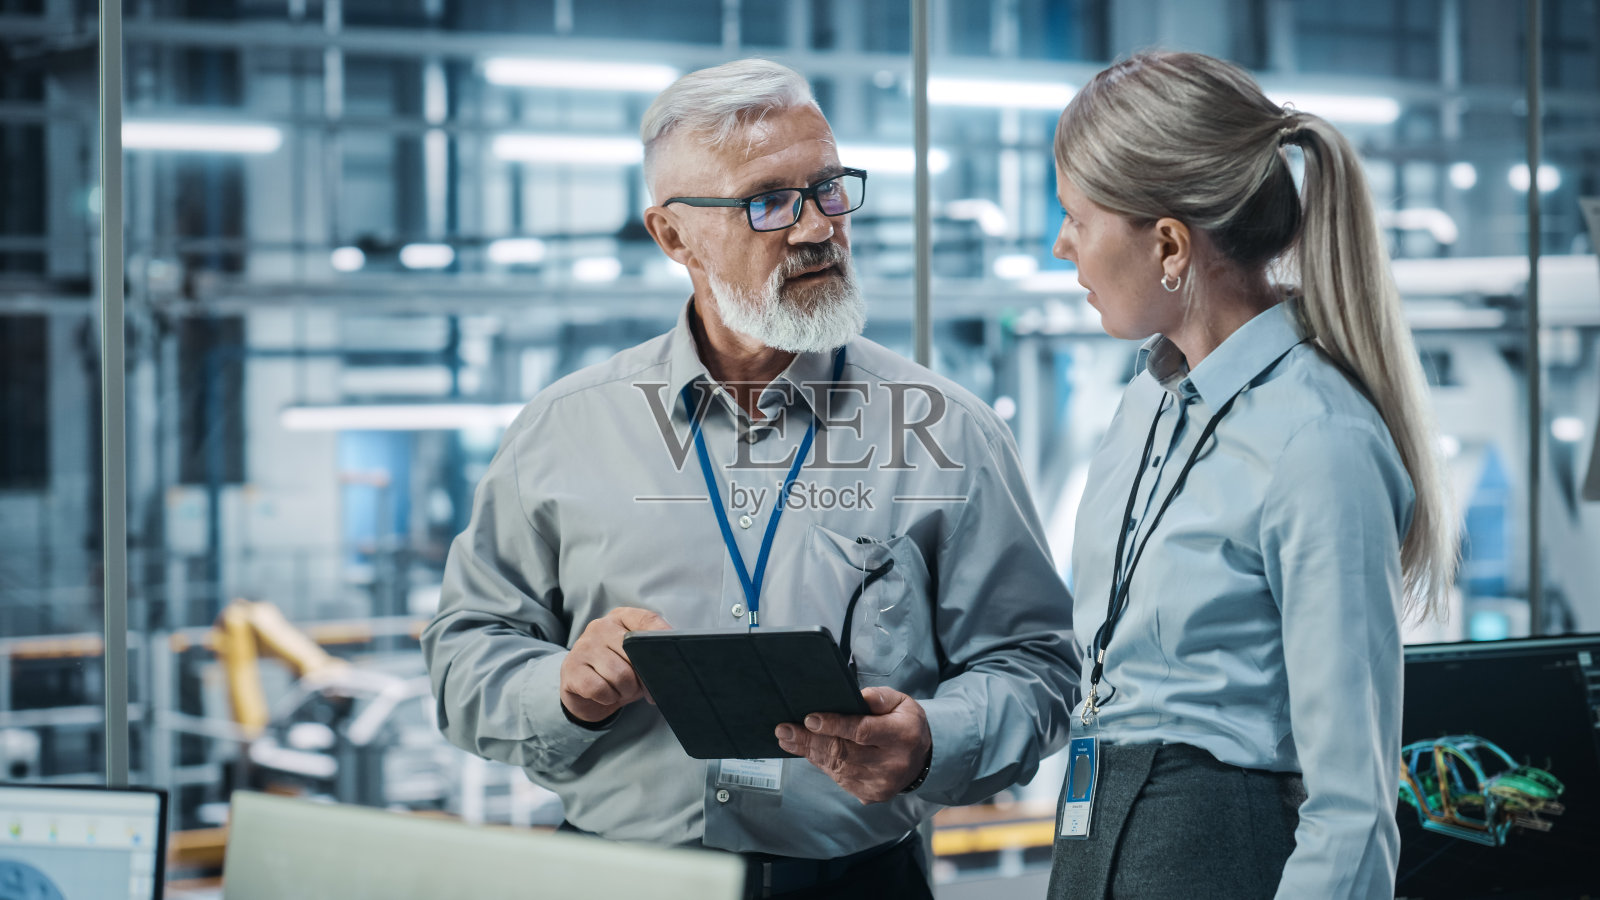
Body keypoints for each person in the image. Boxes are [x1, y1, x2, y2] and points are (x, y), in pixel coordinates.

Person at [422, 58, 1078, 900]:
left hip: (858, 884)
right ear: (674, 237)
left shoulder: (946, 431)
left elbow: (1036, 667)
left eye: (829, 189)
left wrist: (933, 739)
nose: (817, 228)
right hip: (620, 879)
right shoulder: (565, 430)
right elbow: (463, 655)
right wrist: (562, 691)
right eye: (768, 201)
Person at [1044, 51, 1458, 900]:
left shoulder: (1319, 441)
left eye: (1076, 220)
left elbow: (1353, 812)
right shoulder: (1147, 404)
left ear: (1168, 244)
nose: (1062, 246)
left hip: (1218, 858)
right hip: (1096, 841)